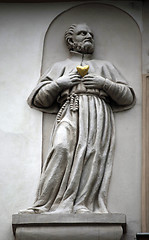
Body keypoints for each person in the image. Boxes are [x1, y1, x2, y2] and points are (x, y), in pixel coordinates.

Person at [25, 23, 135, 214]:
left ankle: (81, 204)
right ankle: (44, 204)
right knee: (61, 147)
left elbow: (127, 96)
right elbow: (39, 99)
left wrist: (105, 83)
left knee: (92, 155)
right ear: (70, 40)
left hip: (97, 113)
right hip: (70, 110)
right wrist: (60, 83)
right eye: (82, 33)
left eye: (91, 34)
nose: (88, 36)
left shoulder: (104, 66)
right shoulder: (60, 67)